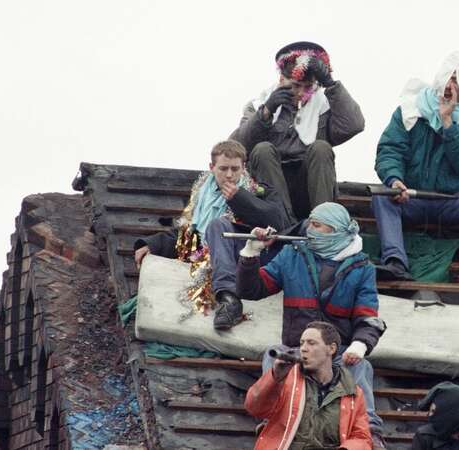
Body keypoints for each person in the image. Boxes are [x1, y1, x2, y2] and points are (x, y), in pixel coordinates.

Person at [236, 202, 387, 448]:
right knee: (273, 355)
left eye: (317, 225)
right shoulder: (291, 255)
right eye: (310, 223)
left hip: (337, 354)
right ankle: (272, 420)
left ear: (336, 229)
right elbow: (251, 289)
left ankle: (371, 433)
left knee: (362, 368)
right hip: (298, 350)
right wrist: (251, 253)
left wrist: (359, 345)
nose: (309, 229)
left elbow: (368, 316)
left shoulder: (362, 269)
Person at [133, 140, 290, 330]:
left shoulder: (260, 190)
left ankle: (229, 299)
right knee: (215, 226)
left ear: (244, 167)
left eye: (235, 169)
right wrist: (153, 244)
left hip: (250, 255)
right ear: (211, 167)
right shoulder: (202, 193)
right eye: (223, 168)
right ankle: (228, 298)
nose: (230, 175)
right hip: (209, 253)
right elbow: (190, 234)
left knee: (218, 225)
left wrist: (240, 198)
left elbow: (278, 221)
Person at [372, 51, 459, 286]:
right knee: (382, 196)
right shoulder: (411, 110)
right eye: (448, 80)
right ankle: (395, 261)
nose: (450, 87)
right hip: (411, 197)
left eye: (456, 82)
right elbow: (390, 150)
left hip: (451, 200)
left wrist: (448, 124)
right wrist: (394, 180)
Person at [230, 41, 365, 222]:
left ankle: (323, 222)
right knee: (262, 149)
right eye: (295, 85)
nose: (300, 93)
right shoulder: (258, 105)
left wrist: (331, 85)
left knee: (321, 148)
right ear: (281, 80)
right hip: (270, 189)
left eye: (307, 87)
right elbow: (238, 146)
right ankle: (284, 222)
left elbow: (353, 125)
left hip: (308, 185)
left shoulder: (322, 107)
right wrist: (267, 111)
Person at [245, 320, 373, 450]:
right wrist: (275, 377)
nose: (303, 348)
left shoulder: (352, 392)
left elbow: (362, 437)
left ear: (331, 348)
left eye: (311, 343)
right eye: (302, 343)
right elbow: (254, 408)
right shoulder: (286, 380)